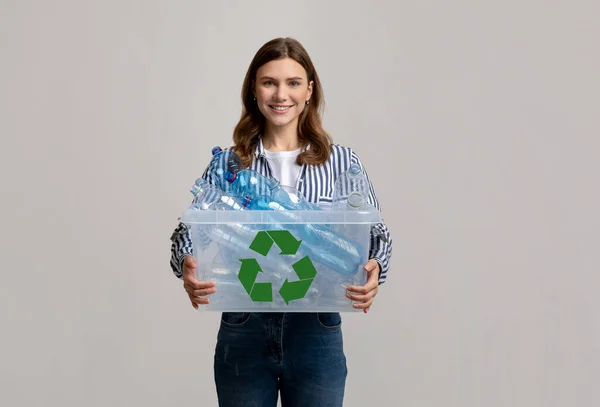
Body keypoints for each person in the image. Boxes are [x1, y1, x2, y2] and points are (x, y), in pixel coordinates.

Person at [169, 37, 392, 407]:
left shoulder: (340, 162)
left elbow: (376, 234)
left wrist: (374, 270)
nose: (280, 94)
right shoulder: (228, 165)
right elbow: (189, 232)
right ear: (253, 91)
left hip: (315, 325)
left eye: (292, 82)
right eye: (269, 82)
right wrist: (187, 267)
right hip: (245, 322)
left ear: (309, 90)